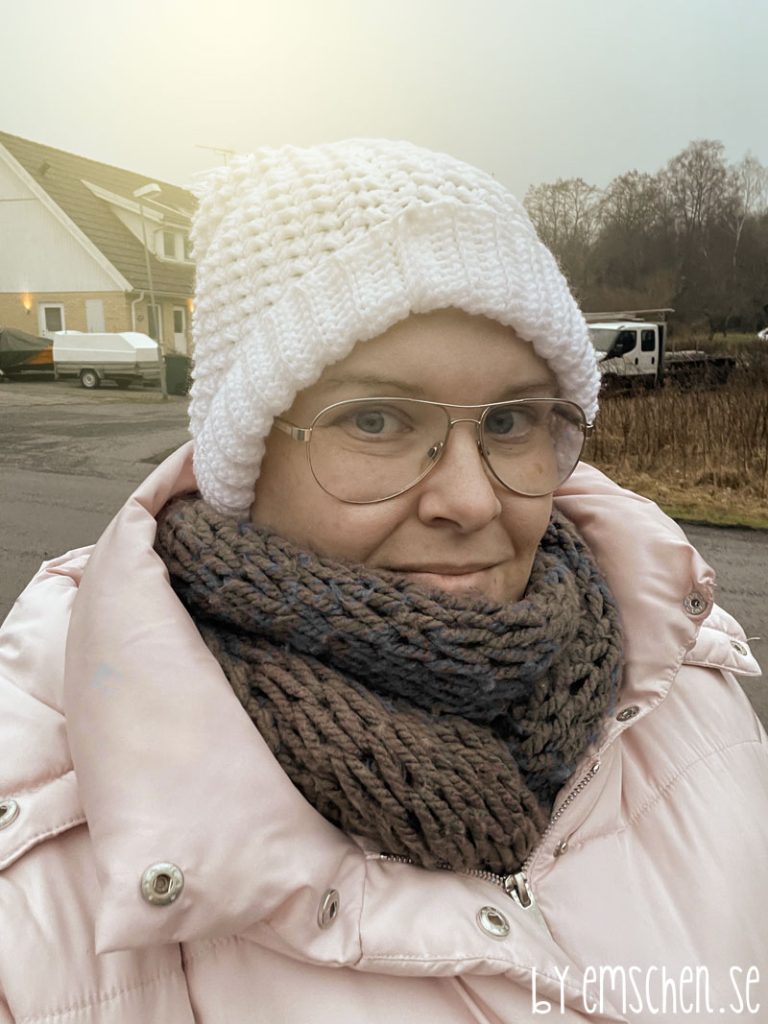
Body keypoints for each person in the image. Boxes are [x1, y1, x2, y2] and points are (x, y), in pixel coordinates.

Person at [0, 140, 765, 1024]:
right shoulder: (40, 879)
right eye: (374, 420)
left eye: (510, 421)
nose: (471, 500)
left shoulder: (684, 683)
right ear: (244, 457)